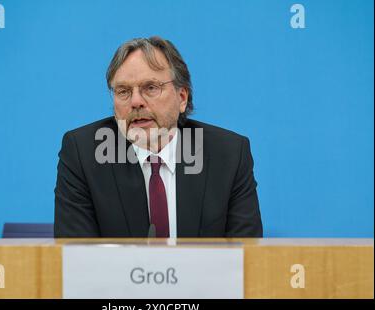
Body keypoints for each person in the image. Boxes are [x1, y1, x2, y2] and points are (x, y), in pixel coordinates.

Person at [54, 36, 263, 238]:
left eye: (151, 88)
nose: (136, 101)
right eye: (123, 91)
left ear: (182, 98)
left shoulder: (229, 155)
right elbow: (77, 260)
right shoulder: (83, 153)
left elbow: (246, 258)